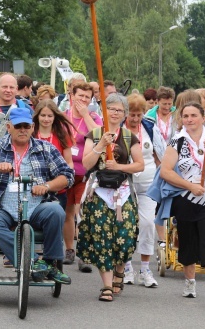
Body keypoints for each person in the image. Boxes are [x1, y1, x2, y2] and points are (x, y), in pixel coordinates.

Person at [0, 108, 74, 285]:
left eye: (26, 126)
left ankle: (50, 262)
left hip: (36, 206)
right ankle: (33, 261)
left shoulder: (46, 148)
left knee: (56, 211)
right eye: (18, 126)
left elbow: (67, 176)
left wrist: (46, 186)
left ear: (32, 127)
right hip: (3, 207)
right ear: (9, 127)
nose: (22, 130)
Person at [160, 102, 205, 304]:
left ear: (203, 118)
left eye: (194, 115)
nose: (190, 119)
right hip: (186, 199)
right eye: (186, 116)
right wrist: (189, 186)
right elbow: (166, 171)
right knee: (188, 243)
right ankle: (190, 281)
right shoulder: (177, 141)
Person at [77, 93, 144, 302]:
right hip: (98, 193)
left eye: (119, 110)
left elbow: (140, 164)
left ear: (124, 114)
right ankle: (106, 285)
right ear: (104, 113)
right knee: (102, 238)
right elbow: (86, 164)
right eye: (111, 109)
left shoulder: (128, 136)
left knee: (124, 237)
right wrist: (100, 145)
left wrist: (119, 166)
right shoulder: (94, 134)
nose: (115, 113)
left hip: (123, 193)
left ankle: (120, 270)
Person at [63, 81, 102, 272]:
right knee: (67, 213)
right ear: (72, 96)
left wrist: (86, 115)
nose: (83, 100)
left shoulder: (94, 117)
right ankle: (69, 249)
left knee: (82, 213)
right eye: (80, 96)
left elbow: (99, 136)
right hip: (65, 171)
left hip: (86, 172)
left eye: (87, 97)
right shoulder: (63, 117)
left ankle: (83, 253)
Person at [123, 93, 159, 287]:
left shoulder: (149, 127)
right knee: (127, 225)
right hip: (125, 183)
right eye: (132, 114)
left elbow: (159, 152)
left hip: (148, 183)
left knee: (147, 223)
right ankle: (127, 266)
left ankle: (145, 268)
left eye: (139, 114)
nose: (135, 119)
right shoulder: (118, 128)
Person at [32, 100, 74, 207]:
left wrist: (66, 179)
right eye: (43, 115)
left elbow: (69, 162)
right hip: (34, 189)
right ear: (37, 116)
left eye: (50, 116)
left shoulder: (62, 135)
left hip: (57, 190)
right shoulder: (31, 135)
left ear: (55, 117)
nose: (46, 119)